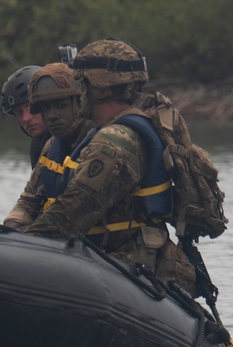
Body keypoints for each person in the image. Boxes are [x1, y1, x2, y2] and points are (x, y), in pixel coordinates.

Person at [23, 39, 198, 296]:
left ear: (102, 90)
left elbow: (69, 214)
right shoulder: (114, 130)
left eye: (81, 83)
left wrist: (11, 246)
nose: (77, 91)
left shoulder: (114, 141)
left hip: (132, 267)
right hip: (118, 264)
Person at [3, 63, 95, 229]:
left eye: (59, 105)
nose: (26, 119)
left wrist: (28, 236)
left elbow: (74, 208)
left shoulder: (96, 139)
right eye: (45, 108)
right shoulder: (48, 147)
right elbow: (29, 200)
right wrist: (9, 231)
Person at [0, 65, 50, 168]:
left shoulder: (77, 140)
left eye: (31, 107)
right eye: (19, 112)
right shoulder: (38, 146)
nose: (25, 118)